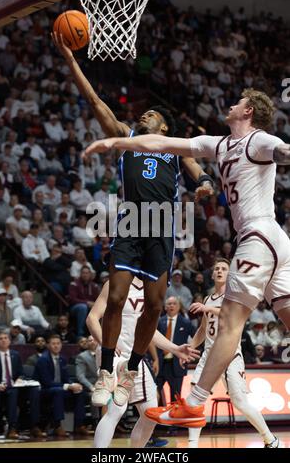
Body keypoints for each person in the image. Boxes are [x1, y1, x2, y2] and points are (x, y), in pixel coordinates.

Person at [87, 88, 290, 431]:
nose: (231, 103)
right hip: (276, 243)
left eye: (239, 101)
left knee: (229, 323)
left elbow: (282, 151)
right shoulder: (218, 143)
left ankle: (194, 402)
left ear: (250, 111)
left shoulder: (259, 140)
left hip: (258, 236)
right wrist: (115, 143)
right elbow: (162, 145)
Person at [52, 31, 214, 407]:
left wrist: (204, 182)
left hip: (161, 227)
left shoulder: (174, 147)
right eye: (143, 114)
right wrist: (71, 60)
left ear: (164, 128)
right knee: (117, 299)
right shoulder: (126, 137)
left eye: (152, 114)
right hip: (131, 223)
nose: (144, 115)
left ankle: (131, 370)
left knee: (155, 305)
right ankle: (108, 371)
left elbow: (195, 166)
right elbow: (95, 101)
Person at [87, 277, 199, 448]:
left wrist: (175, 349)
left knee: (151, 412)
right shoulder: (114, 283)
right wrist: (106, 342)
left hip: (135, 356)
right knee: (117, 409)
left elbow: (150, 331)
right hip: (113, 353)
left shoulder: (152, 288)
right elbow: (92, 318)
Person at [187, 259, 278, 448]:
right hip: (208, 354)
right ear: (212, 275)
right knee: (194, 400)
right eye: (216, 269)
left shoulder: (234, 296)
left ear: (230, 274)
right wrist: (189, 348)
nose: (219, 271)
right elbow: (203, 329)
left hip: (229, 354)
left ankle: (270, 438)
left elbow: (229, 315)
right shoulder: (207, 299)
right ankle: (192, 445)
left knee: (240, 402)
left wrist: (207, 309)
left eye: (224, 269)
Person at [0, 332, 44, 439]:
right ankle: (12, 427)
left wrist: (20, 378)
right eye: (0, 338)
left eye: (6, 338)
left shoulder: (15, 354)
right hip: (0, 387)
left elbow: (21, 373)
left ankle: (34, 425)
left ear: (9, 341)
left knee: (34, 390)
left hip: (14, 385)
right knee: (12, 393)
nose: (3, 340)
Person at [33, 334, 90, 437]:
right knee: (58, 391)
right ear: (48, 345)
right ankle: (57, 426)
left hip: (60, 388)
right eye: (53, 344)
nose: (56, 346)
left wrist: (73, 384)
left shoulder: (62, 359)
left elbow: (66, 378)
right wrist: (67, 386)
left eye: (58, 343)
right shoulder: (43, 360)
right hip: (45, 390)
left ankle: (79, 425)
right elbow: (47, 382)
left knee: (79, 392)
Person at [157, 296, 194, 403]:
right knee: (155, 394)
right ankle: (158, 418)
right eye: (169, 304)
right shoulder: (159, 322)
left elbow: (197, 338)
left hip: (177, 364)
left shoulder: (185, 322)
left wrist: (189, 354)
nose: (171, 306)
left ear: (179, 307)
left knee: (176, 396)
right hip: (160, 363)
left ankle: (174, 419)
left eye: (174, 304)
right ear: (165, 307)